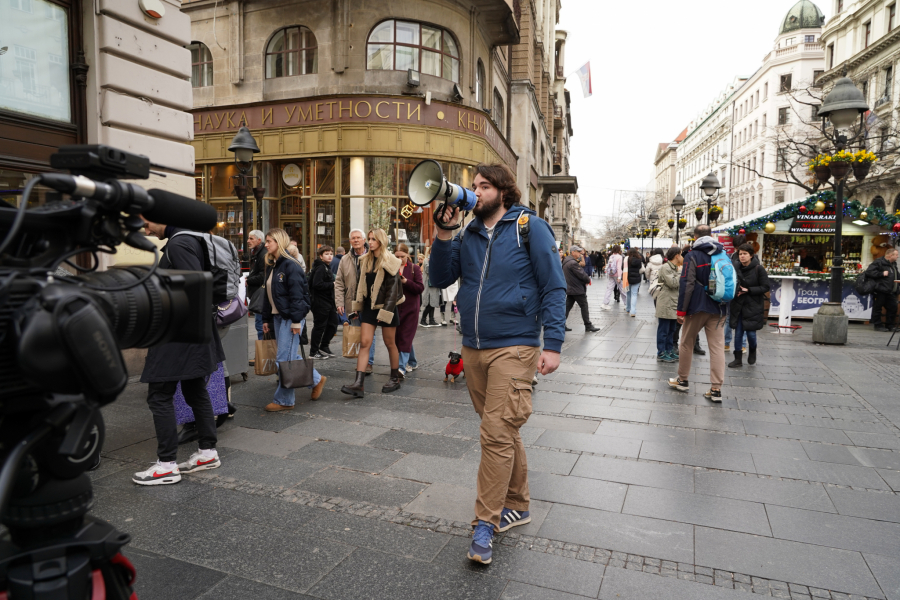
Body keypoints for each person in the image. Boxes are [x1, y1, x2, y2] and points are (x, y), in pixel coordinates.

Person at [430, 163, 566, 566]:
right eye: (472, 186)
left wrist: (553, 344)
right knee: (503, 428)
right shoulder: (469, 233)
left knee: (494, 431)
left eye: (483, 186)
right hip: (473, 346)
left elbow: (553, 285)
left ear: (503, 191)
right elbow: (439, 277)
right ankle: (519, 503)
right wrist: (443, 233)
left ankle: (485, 523)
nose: (474, 192)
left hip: (516, 344)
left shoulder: (530, 227)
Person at [134, 218, 225, 485]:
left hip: (178, 335)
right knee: (195, 391)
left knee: (159, 395)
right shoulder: (192, 239)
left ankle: (166, 465)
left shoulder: (179, 243)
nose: (146, 230)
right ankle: (207, 453)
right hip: (193, 334)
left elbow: (194, 289)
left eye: (147, 223)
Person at [262, 229, 327, 410]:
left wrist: (297, 321)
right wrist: (266, 318)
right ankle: (316, 379)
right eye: (266, 241)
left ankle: (284, 401)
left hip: (291, 318)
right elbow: (268, 295)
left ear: (279, 242)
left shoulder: (291, 265)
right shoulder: (273, 265)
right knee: (289, 355)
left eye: (269, 241)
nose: (266, 245)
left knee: (284, 360)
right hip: (278, 317)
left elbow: (298, 296)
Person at [340, 228, 405, 397]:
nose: (370, 242)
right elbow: (361, 285)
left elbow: (393, 291)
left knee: (390, 343)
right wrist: (357, 305)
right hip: (369, 307)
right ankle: (358, 384)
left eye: (373, 239)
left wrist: (386, 312)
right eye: (369, 239)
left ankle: (394, 378)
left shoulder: (391, 260)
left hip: (387, 307)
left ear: (381, 241)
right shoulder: (365, 260)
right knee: (364, 343)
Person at [668, 225, 726, 402]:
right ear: (711, 235)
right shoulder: (723, 254)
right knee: (716, 347)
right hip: (719, 307)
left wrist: (681, 310)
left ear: (695, 237)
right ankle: (716, 389)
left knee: (686, 342)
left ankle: (683, 380)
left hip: (697, 307)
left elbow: (687, 284)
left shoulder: (692, 255)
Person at [334, 229, 377, 372]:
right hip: (352, 303)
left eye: (359, 237)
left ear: (364, 240)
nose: (356, 240)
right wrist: (339, 302)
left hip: (369, 302)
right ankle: (362, 361)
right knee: (357, 331)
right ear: (350, 241)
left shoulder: (373, 256)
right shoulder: (345, 259)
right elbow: (339, 282)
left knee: (370, 333)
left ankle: (368, 362)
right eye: (353, 238)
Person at [728, 243, 770, 368]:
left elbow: (765, 287)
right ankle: (737, 359)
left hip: (753, 305)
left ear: (751, 255)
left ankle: (752, 350)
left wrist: (749, 290)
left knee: (751, 334)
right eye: (740, 254)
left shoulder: (758, 269)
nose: (742, 256)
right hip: (738, 304)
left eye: (745, 254)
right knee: (738, 333)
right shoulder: (735, 268)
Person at [395, 243, 424, 376]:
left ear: (408, 255)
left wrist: (406, 282)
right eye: (397, 256)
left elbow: (420, 288)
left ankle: (401, 367)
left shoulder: (414, 268)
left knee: (406, 335)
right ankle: (412, 361)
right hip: (395, 307)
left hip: (411, 307)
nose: (400, 259)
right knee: (399, 336)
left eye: (402, 256)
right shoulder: (391, 267)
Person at [309, 245, 340, 359]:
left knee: (333, 324)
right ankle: (313, 352)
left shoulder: (327, 266)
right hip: (320, 302)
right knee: (319, 326)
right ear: (321, 256)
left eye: (331, 254)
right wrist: (332, 284)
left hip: (328, 301)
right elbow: (316, 284)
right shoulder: (321, 267)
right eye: (326, 254)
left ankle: (324, 345)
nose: (329, 256)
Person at [562, 245, 599, 332]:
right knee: (584, 306)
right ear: (573, 252)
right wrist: (588, 279)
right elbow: (582, 275)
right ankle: (588, 325)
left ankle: (561, 324)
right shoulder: (573, 263)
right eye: (578, 252)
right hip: (577, 289)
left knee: (567, 307)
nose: (580, 253)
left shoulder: (566, 261)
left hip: (571, 288)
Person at [656, 246, 683, 362]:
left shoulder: (675, 268)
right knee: (664, 330)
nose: (682, 257)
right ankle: (661, 353)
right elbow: (672, 283)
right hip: (666, 302)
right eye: (681, 255)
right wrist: (681, 274)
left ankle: (669, 350)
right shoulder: (666, 267)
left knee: (672, 329)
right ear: (676, 256)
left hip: (673, 301)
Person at [866, 247, 899, 331]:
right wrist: (881, 274)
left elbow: (896, 274)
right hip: (880, 289)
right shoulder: (879, 262)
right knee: (878, 307)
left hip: (890, 290)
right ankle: (878, 325)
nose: (897, 257)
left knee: (893, 307)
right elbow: (869, 272)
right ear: (891, 255)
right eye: (896, 255)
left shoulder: (893, 264)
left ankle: (890, 325)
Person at [245, 229, 267, 343]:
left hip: (261, 294)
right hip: (258, 293)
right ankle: (262, 354)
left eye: (251, 238)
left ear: (259, 240)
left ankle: (263, 354)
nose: (248, 241)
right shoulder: (256, 252)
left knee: (260, 324)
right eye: (248, 238)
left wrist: (248, 280)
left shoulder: (262, 254)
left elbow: (263, 275)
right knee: (260, 324)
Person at [421, 247, 442, 327]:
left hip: (434, 285)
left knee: (433, 303)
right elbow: (428, 269)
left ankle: (431, 320)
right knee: (429, 304)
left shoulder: (437, 260)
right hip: (428, 285)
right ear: (429, 251)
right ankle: (423, 320)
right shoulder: (427, 260)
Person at [600, 245, 624, 310]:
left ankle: (605, 303)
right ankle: (627, 304)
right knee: (622, 290)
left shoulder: (611, 256)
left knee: (609, 289)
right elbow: (619, 267)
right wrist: (619, 277)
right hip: (617, 275)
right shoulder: (619, 257)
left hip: (611, 274)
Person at [623, 248, 645, 317]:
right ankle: (633, 311)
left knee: (628, 294)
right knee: (634, 294)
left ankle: (628, 308)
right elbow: (640, 269)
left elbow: (622, 268)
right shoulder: (639, 260)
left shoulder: (626, 260)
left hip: (627, 278)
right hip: (636, 278)